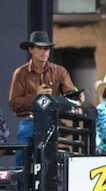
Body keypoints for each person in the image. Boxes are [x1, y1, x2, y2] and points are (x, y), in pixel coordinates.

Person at [8, 31, 78, 166]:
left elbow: (70, 93)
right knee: (22, 160)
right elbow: (14, 104)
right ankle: (24, 184)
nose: (44, 52)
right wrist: (36, 97)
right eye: (40, 48)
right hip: (29, 120)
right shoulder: (21, 74)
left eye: (46, 49)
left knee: (50, 161)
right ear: (31, 49)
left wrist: (76, 95)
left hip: (52, 121)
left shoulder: (60, 72)